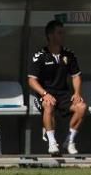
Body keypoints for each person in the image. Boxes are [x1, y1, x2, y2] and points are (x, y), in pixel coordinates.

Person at [28, 20, 87, 156]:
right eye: (59, 33)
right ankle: (52, 143)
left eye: (63, 33)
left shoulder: (69, 55)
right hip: (45, 93)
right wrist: (44, 93)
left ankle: (69, 141)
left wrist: (77, 93)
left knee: (81, 107)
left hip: (63, 94)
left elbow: (76, 76)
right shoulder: (40, 56)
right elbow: (32, 80)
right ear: (50, 35)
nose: (62, 36)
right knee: (48, 105)